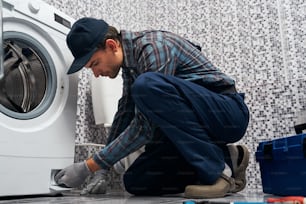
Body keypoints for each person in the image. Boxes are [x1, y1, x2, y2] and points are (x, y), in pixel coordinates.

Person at [55, 17, 250, 198]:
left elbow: (143, 128)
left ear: (112, 45)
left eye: (94, 64)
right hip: (195, 126)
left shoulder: (153, 47)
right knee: (136, 181)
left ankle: (218, 173)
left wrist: (90, 166)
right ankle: (230, 160)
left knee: (146, 85)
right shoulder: (131, 66)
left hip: (226, 114)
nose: (96, 73)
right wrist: (103, 170)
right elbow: (125, 113)